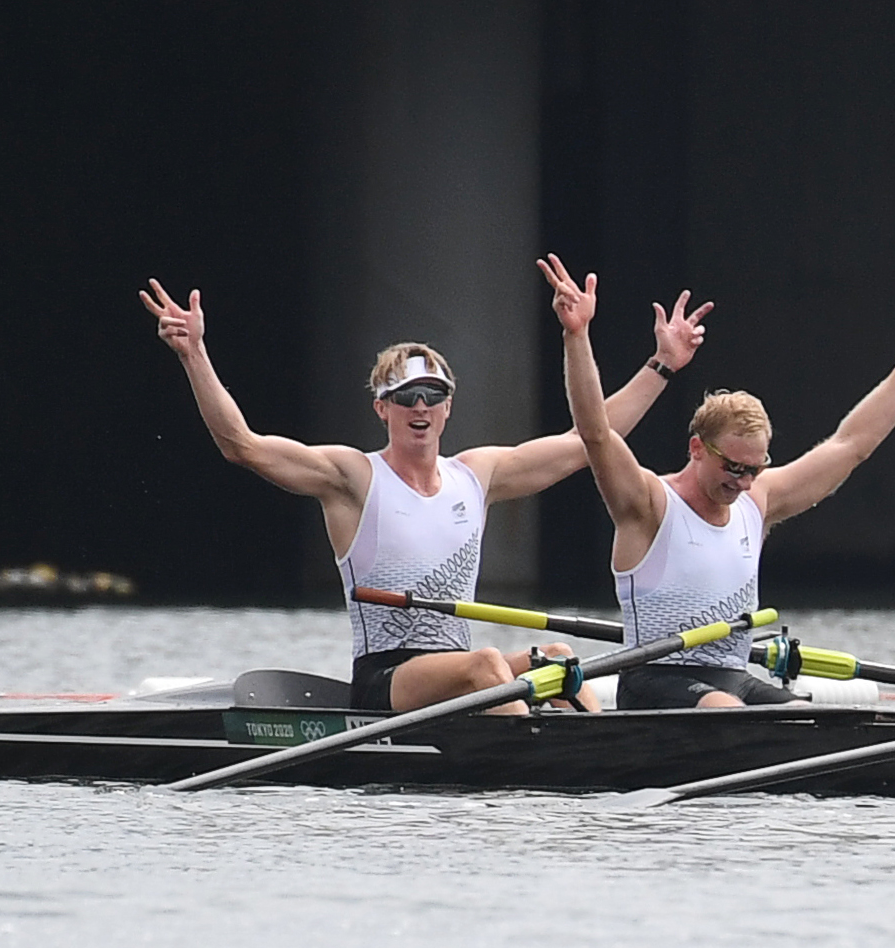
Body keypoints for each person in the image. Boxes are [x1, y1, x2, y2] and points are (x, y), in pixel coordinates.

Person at [140, 269, 711, 714]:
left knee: (558, 659)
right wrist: (194, 354)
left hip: (462, 673)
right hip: (388, 679)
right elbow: (243, 445)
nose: (420, 408)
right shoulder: (353, 478)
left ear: (448, 408)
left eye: (432, 396)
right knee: (488, 664)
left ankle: (599, 746)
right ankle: (543, 752)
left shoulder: (477, 474)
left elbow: (589, 439)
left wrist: (662, 363)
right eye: (407, 396)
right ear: (381, 407)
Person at [541, 254, 895, 709]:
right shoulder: (647, 503)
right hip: (657, 683)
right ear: (697, 448)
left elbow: (850, 444)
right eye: (732, 467)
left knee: (806, 720)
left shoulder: (758, 501)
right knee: (730, 713)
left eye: (754, 469)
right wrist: (576, 335)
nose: (742, 482)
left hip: (734, 679)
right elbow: (596, 433)